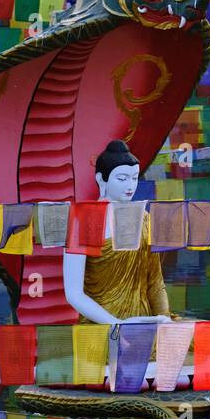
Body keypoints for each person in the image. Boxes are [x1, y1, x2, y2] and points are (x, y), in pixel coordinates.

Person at [62, 139, 173, 326]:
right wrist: (117, 325)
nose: (130, 186)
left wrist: (166, 321)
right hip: (102, 326)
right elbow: (73, 293)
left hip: (142, 321)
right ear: (100, 179)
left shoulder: (143, 218)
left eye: (135, 178)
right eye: (122, 179)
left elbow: (155, 282)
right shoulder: (84, 219)